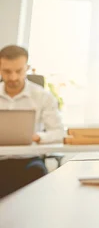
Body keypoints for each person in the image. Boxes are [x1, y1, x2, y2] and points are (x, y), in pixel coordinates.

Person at [0, 45, 64, 197]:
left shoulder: (43, 97)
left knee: (37, 173)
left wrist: (38, 137)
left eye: (19, 71)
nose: (13, 77)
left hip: (28, 160)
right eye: (7, 71)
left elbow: (59, 132)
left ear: (27, 67)